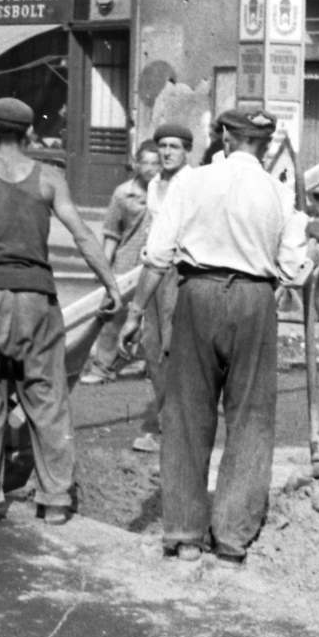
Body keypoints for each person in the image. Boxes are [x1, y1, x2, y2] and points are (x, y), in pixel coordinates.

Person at [119, 108, 312, 568]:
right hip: (254, 300)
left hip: (197, 294)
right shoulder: (280, 194)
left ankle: (184, 535)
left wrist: (135, 312)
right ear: (264, 145)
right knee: (250, 417)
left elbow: (158, 255)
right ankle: (230, 538)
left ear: (225, 137)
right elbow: (292, 270)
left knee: (186, 412)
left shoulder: (192, 182)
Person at [0, 97, 122, 528]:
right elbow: (82, 236)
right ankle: (56, 500)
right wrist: (111, 284)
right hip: (36, 298)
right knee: (47, 397)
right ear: (28, 133)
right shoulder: (50, 178)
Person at [127, 122, 194, 453]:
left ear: (187, 151)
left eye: (175, 147)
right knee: (151, 346)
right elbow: (155, 227)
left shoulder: (194, 183)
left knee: (173, 347)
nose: (167, 152)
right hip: (155, 271)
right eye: (163, 146)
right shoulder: (154, 184)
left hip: (182, 273)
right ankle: (166, 419)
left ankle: (172, 426)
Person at [81, 141, 160, 385]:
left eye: (155, 163)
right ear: (135, 164)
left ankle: (153, 367)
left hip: (157, 264)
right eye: (144, 162)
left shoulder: (169, 192)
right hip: (126, 263)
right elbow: (112, 234)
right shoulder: (123, 194)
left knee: (156, 318)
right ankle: (103, 367)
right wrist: (104, 268)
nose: (150, 168)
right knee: (114, 317)